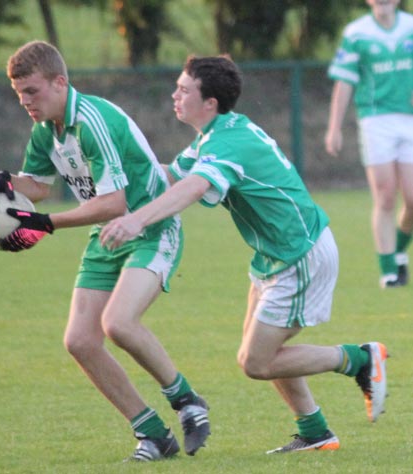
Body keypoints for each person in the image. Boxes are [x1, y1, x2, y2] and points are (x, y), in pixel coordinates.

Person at [99, 55, 388, 454]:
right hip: (275, 255)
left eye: (184, 90)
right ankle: (316, 433)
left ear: (210, 102)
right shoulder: (215, 135)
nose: (174, 95)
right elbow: (166, 177)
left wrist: (138, 221)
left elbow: (195, 187)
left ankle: (359, 359)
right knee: (259, 352)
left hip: (299, 254)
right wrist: (105, 178)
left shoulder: (226, 142)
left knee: (257, 362)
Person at [0, 40, 211, 462]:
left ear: (60, 82)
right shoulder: (46, 129)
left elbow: (115, 202)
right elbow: (40, 187)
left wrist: (47, 224)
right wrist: (3, 185)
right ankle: (153, 434)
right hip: (107, 235)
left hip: (149, 226)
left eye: (32, 91)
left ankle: (188, 401)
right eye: (19, 93)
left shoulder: (91, 120)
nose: (25, 101)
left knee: (118, 322)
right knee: (81, 341)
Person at [325, 0, 413, 289]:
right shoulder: (356, 33)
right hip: (376, 121)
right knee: (386, 195)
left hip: (409, 119)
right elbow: (345, 82)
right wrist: (334, 127)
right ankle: (388, 270)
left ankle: (399, 249)